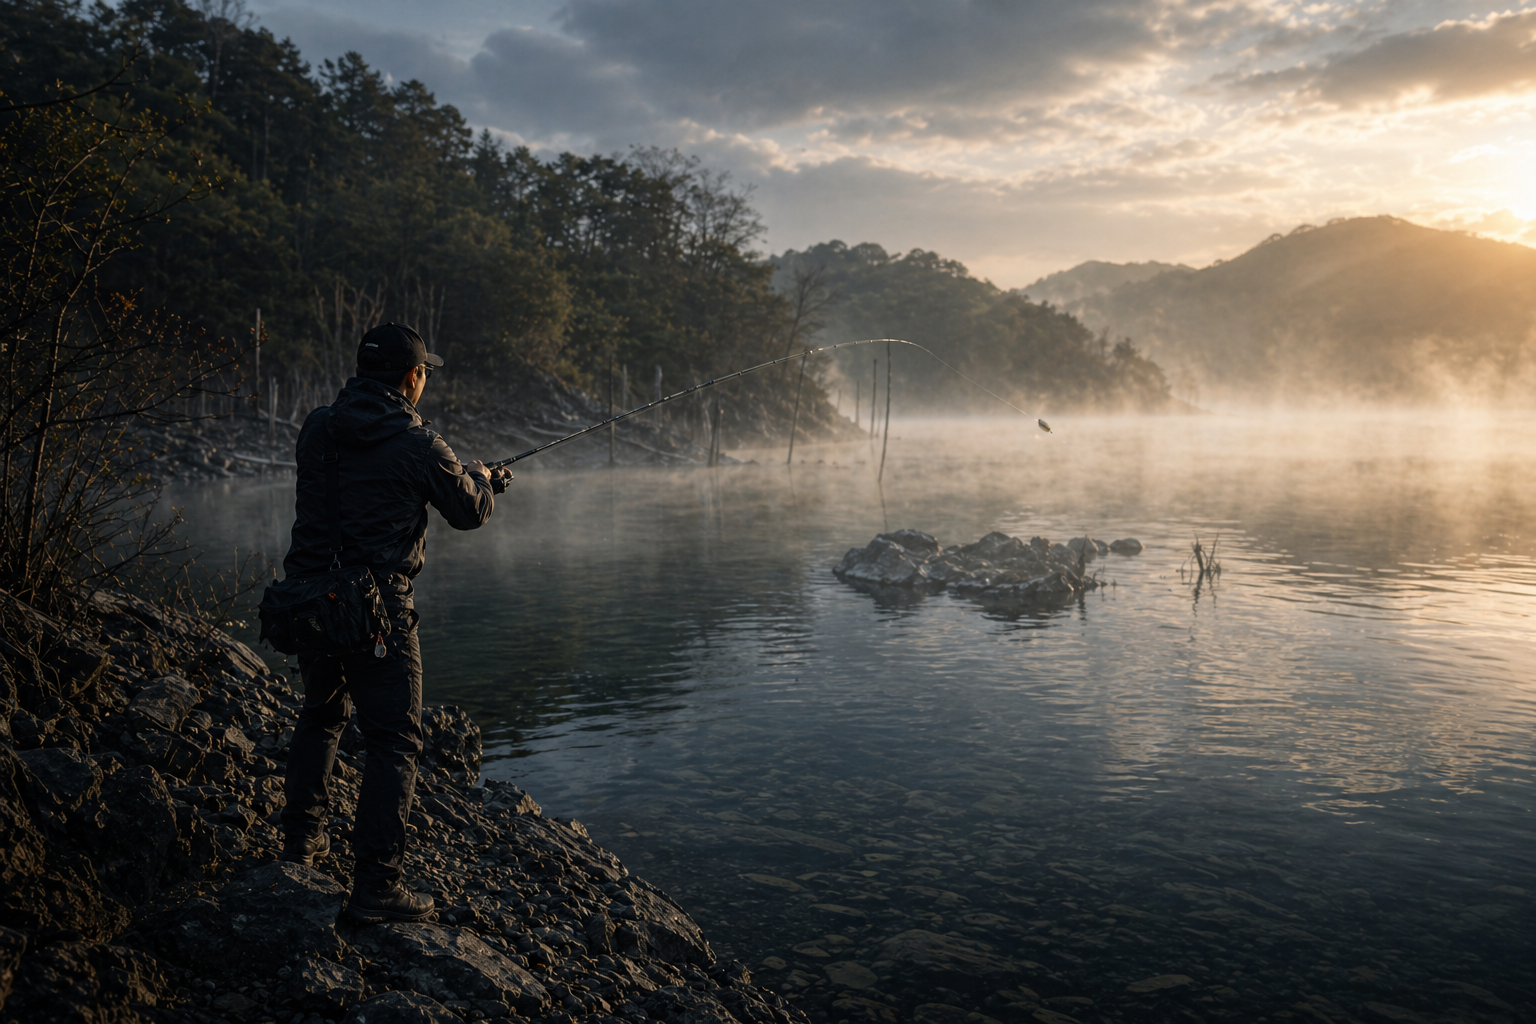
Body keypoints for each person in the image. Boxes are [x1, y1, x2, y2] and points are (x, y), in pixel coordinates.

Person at [277, 322, 509, 923]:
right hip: (378, 613)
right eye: (424, 370)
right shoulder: (420, 443)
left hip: (311, 600)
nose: (425, 378)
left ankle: (301, 839)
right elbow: (468, 513)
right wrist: (484, 481)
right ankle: (377, 885)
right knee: (395, 742)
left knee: (323, 713)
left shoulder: (317, 426)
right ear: (412, 376)